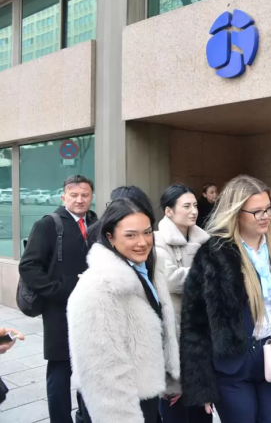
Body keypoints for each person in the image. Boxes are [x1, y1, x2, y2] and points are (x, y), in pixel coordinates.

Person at [180, 175, 271, 423]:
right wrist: (200, 384)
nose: (265, 216)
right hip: (232, 363)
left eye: (268, 208)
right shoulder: (214, 254)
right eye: (256, 211)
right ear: (236, 213)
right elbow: (194, 323)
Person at [67, 198, 180, 423]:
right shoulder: (97, 287)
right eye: (131, 235)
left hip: (146, 393)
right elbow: (102, 373)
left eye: (147, 233)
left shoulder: (147, 269)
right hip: (121, 407)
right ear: (110, 237)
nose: (142, 242)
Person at [19, 175, 96, 423]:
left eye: (85, 195)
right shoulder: (47, 225)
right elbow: (29, 266)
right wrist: (59, 289)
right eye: (74, 195)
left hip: (92, 309)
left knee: (91, 368)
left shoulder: (96, 223)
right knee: (60, 371)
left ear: (92, 196)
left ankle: (86, 417)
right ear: (63, 197)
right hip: (59, 310)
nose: (80, 199)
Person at [155, 184, 211, 423]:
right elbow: (171, 280)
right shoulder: (157, 240)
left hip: (202, 327)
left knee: (201, 408)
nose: (193, 211)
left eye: (195, 205)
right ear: (169, 211)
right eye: (186, 206)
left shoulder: (205, 239)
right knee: (175, 406)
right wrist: (209, 273)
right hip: (173, 328)